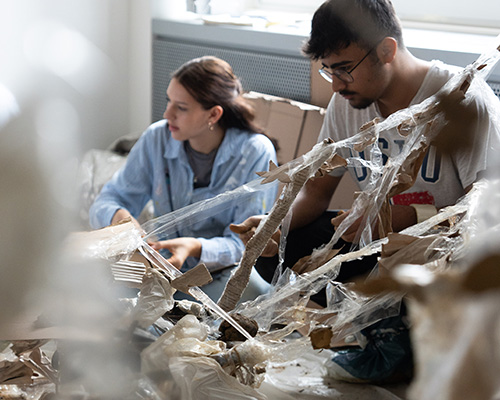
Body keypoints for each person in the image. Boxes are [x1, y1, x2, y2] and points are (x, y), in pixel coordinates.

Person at [232, 0, 500, 300]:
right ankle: (372, 312)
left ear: (387, 50)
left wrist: (401, 218)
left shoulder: (461, 99)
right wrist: (273, 223)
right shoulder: (347, 103)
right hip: (379, 243)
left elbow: (485, 216)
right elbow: (316, 192)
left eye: (344, 70)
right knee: (277, 252)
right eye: (328, 71)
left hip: (444, 250)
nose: (335, 86)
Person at [89, 56, 278, 282]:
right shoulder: (157, 138)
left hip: (224, 275)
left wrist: (196, 247)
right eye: (169, 101)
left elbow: (246, 245)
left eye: (181, 108)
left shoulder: (256, 153)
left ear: (213, 114)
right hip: (162, 266)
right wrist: (120, 217)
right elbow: (107, 200)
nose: (167, 114)